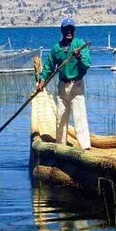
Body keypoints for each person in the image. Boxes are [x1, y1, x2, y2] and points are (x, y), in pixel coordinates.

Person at [37, 18, 92, 150]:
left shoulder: (80, 45)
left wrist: (78, 57)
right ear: (62, 31)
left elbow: (87, 65)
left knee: (80, 118)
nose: (69, 32)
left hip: (76, 86)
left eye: (71, 29)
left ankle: (85, 148)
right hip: (62, 86)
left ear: (74, 31)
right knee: (61, 118)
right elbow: (49, 67)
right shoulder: (57, 49)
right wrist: (42, 80)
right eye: (66, 29)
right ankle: (61, 146)